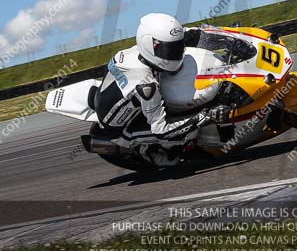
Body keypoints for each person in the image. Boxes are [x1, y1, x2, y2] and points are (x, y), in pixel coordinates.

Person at [93, 13, 231, 166]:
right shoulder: (146, 85)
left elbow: (193, 34)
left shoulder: (141, 50)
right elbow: (162, 130)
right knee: (186, 134)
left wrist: (226, 38)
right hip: (120, 129)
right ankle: (154, 154)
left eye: (178, 48)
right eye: (169, 50)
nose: (176, 53)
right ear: (150, 45)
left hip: (123, 97)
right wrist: (205, 116)